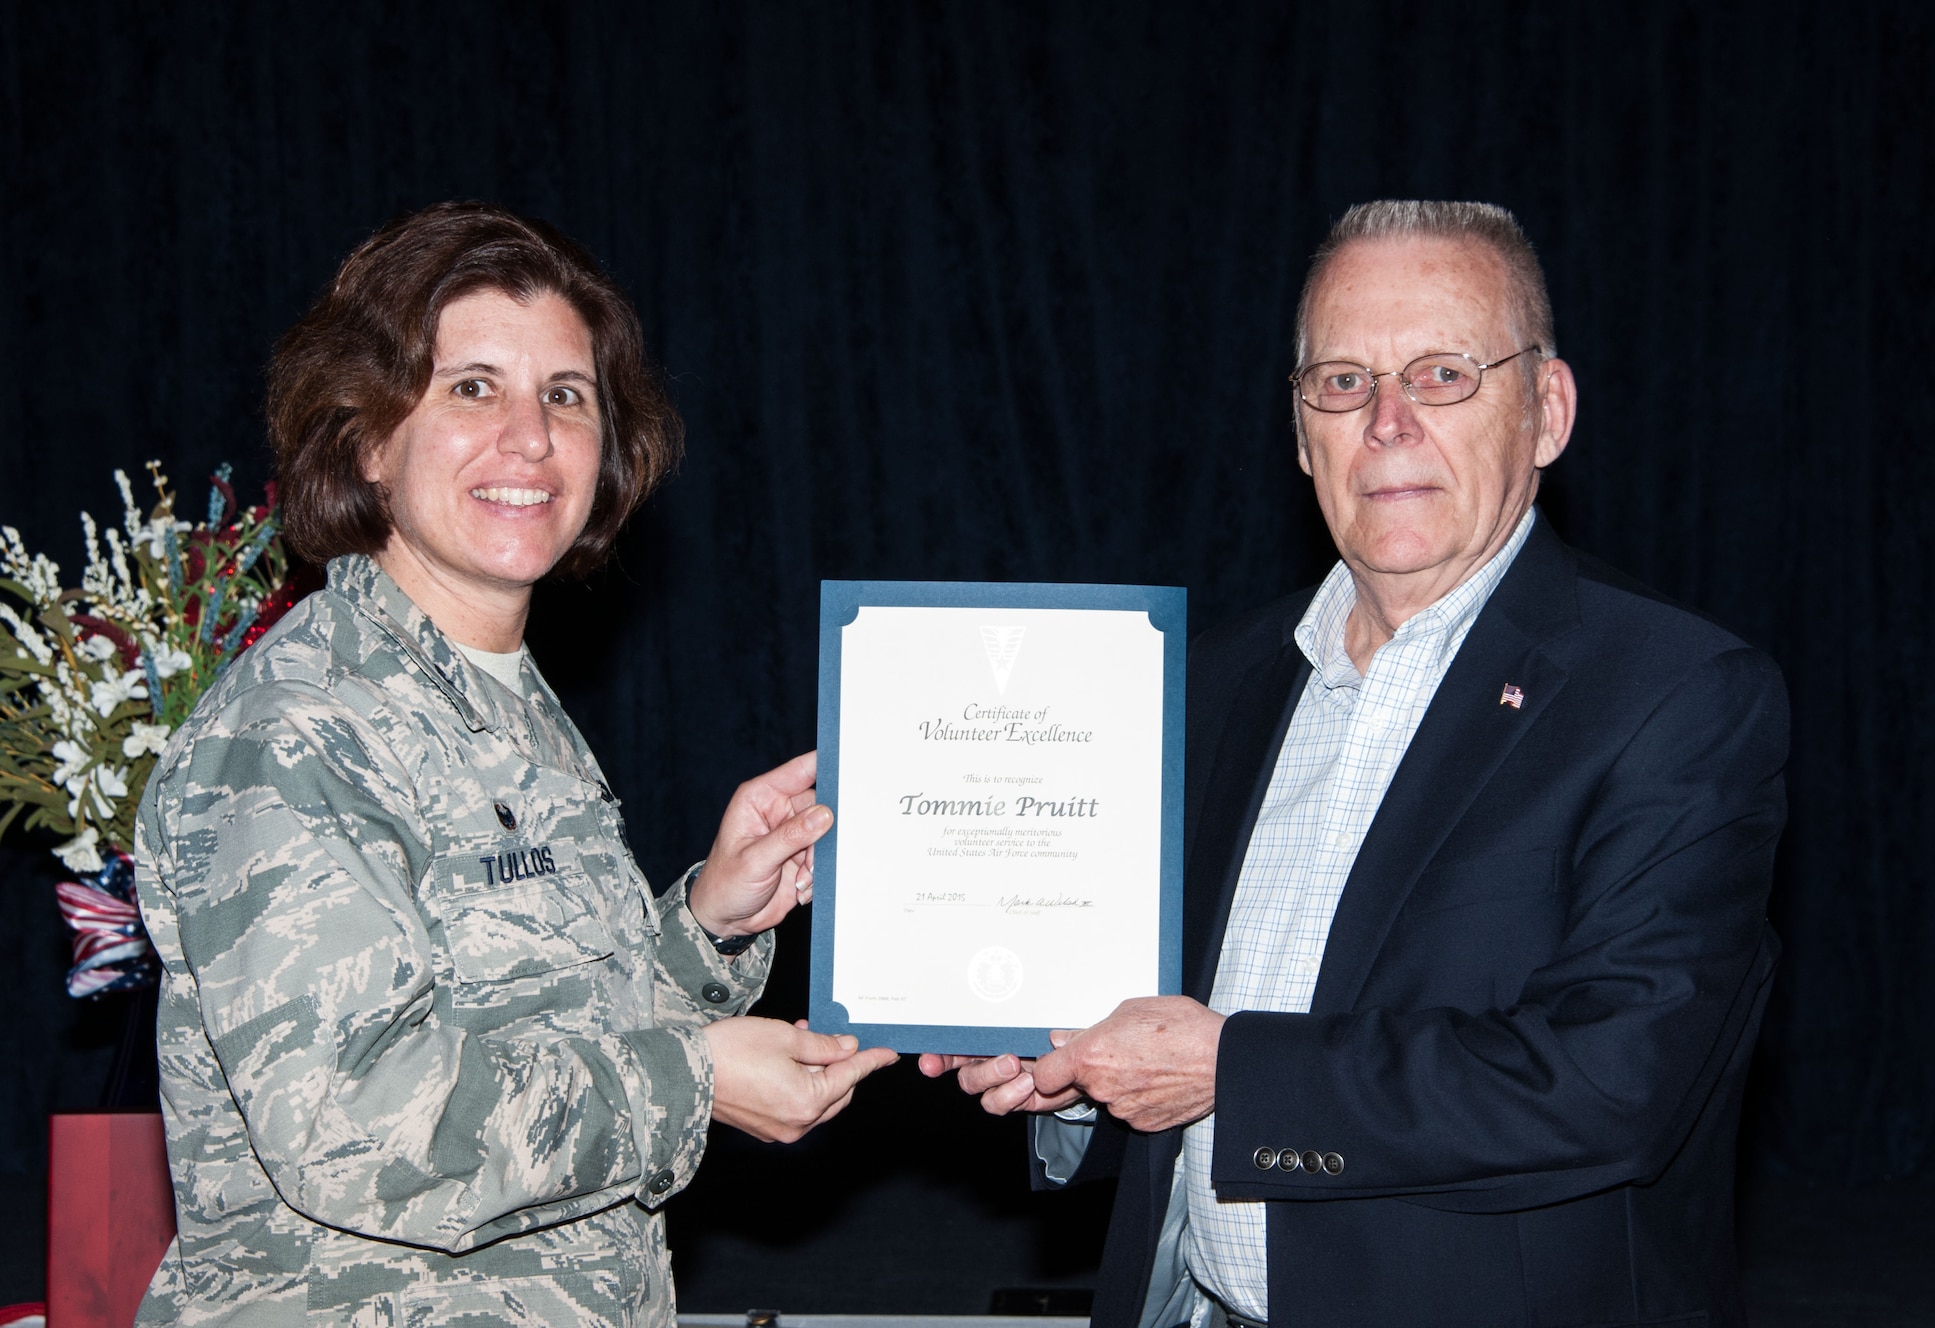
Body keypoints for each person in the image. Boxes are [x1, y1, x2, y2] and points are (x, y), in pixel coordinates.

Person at [924, 201, 1788, 1327]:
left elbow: (1612, 1080)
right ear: (1298, 432)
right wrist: (1074, 1072)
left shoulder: (1675, 692)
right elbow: (1156, 1021)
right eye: (1340, 381)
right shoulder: (1208, 677)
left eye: (1440, 373)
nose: (1385, 422)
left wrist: (1230, 1073)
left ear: (1546, 410)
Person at [134, 201, 897, 1326]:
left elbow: (552, 1025)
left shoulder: (515, 709)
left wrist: (711, 922)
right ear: (366, 437)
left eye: (566, 395)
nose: (530, 439)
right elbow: (361, 1123)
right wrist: (697, 1083)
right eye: (471, 387)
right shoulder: (297, 731)